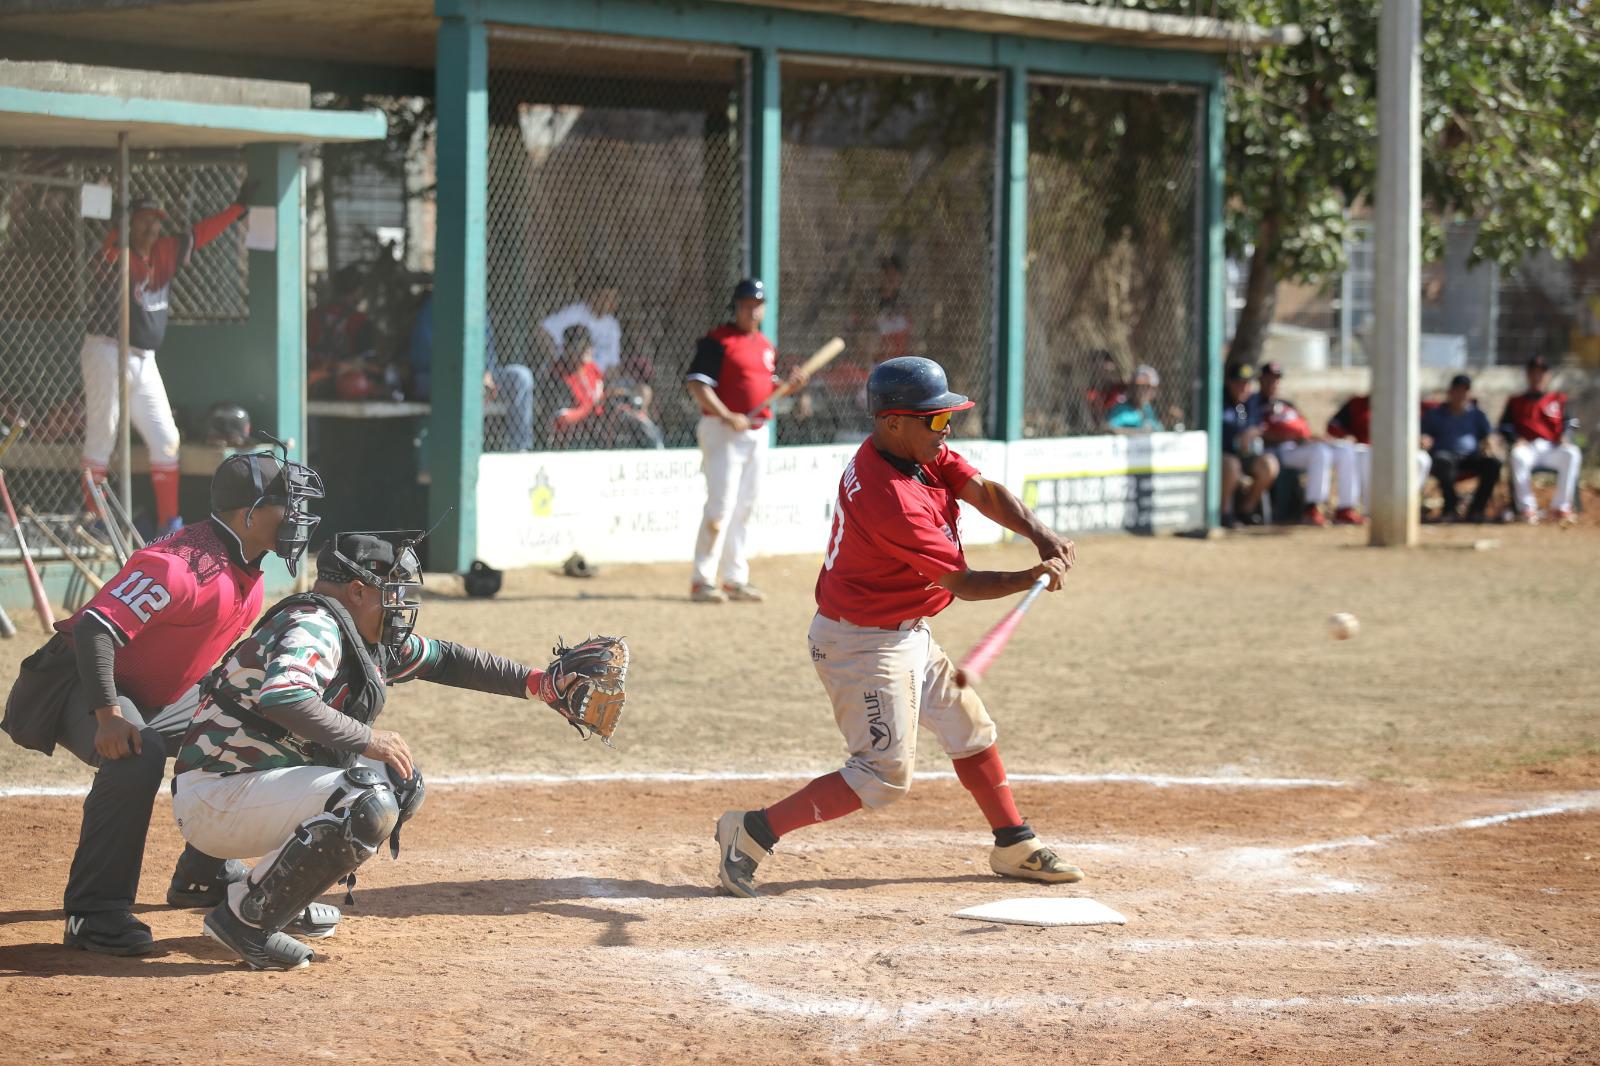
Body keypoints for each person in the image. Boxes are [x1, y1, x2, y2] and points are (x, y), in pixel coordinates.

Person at [169, 531, 627, 970]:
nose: (403, 605)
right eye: (394, 592)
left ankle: (270, 893)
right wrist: (371, 739)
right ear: (356, 590)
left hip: (241, 790)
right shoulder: (316, 624)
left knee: (400, 783)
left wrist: (539, 684)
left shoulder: (358, 631)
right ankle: (247, 917)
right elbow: (285, 698)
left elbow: (446, 660)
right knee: (365, 799)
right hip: (217, 797)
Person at [712, 356, 1082, 898]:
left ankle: (1013, 842)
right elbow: (963, 582)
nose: (946, 428)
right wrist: (1031, 575)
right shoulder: (892, 500)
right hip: (863, 643)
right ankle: (751, 831)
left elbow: (981, 490)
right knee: (882, 777)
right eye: (935, 419)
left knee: (968, 727)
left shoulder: (915, 450)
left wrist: (1041, 536)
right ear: (893, 422)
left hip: (905, 631)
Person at [0, 445, 324, 957]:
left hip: (153, 692)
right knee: (136, 752)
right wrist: (108, 715)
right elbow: (94, 631)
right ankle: (94, 913)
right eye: (287, 503)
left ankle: (204, 874)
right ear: (249, 514)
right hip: (79, 681)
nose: (299, 516)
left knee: (246, 726)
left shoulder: (247, 569)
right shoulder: (180, 567)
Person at [82, 185, 253, 533]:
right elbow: (109, 255)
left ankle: (169, 525)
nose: (151, 228)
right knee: (104, 433)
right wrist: (119, 228)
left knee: (166, 439)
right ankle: (94, 518)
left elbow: (200, 233)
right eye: (143, 221)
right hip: (106, 349)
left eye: (155, 222)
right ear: (129, 226)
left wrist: (237, 209)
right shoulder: (117, 253)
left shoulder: (165, 250)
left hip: (144, 358)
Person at [684, 278, 807, 603]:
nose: (752, 311)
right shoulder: (718, 341)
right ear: (736, 307)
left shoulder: (765, 346)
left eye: (757, 305)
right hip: (723, 431)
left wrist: (788, 387)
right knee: (720, 507)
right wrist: (727, 415)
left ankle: (734, 578)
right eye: (746, 305)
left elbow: (766, 387)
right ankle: (702, 579)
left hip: (755, 432)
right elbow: (697, 385)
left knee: (744, 507)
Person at [409, 292, 534, 452]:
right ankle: (462, 450)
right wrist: (466, 376)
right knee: (458, 386)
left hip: (477, 377)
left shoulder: (475, 306)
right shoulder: (432, 308)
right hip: (439, 377)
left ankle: (519, 448)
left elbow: (488, 348)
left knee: (521, 377)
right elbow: (425, 358)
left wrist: (487, 374)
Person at [1258, 362, 1361, 526]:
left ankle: (1345, 508)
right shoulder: (1255, 404)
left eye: (1276, 379)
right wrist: (1287, 437)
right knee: (1320, 452)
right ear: (1260, 380)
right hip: (1278, 451)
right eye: (1269, 379)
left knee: (1345, 450)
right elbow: (1259, 434)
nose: (1273, 383)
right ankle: (1312, 508)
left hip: (1300, 446)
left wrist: (1314, 438)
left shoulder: (1286, 404)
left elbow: (1303, 430)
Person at [1498, 355, 1582, 524]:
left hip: (1552, 447)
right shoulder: (1516, 401)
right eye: (1533, 373)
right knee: (1517, 455)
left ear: (1547, 375)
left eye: (1541, 373)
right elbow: (1504, 426)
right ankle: (1527, 508)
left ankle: (1561, 507)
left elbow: (1572, 422)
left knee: (1572, 453)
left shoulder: (1558, 399)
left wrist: (1565, 436)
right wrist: (1515, 438)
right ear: (1528, 375)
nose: (1537, 377)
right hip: (1528, 447)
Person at [1324, 393, 1433, 519]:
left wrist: (1421, 439)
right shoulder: (1357, 404)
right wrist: (1345, 434)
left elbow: (1423, 429)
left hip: (1397, 449)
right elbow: (1333, 427)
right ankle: (1371, 511)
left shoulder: (1403, 404)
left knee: (1421, 459)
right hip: (1365, 448)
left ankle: (1404, 507)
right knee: (1367, 456)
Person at [1419, 375, 1501, 522]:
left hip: (1470, 457)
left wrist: (1491, 446)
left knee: (1493, 464)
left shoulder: (1477, 415)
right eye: (1457, 390)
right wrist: (1424, 439)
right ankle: (1450, 509)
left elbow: (1489, 436)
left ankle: (1476, 510)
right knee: (1443, 461)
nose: (1461, 395)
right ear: (1450, 392)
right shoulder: (1434, 414)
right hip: (1445, 458)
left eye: (1465, 391)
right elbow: (1423, 434)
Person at [1219, 362, 1276, 528]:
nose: (1243, 387)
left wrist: (1252, 433)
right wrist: (1239, 436)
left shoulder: (1253, 402)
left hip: (1248, 454)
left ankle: (1247, 510)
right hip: (1225, 454)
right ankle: (1225, 513)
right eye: (1239, 383)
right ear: (1229, 383)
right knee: (1232, 465)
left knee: (1269, 464)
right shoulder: (1221, 402)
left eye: (1247, 383)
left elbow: (1259, 426)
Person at [533, 325, 606, 449]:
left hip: (600, 428)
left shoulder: (591, 368)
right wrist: (591, 407)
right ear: (567, 348)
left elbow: (602, 395)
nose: (588, 349)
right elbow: (562, 417)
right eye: (582, 346)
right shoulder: (558, 373)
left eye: (589, 345)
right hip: (573, 437)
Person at [541, 282, 622, 375]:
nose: (610, 302)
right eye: (606, 297)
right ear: (594, 296)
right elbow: (542, 330)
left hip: (597, 380)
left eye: (613, 298)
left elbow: (614, 363)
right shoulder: (574, 313)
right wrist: (557, 358)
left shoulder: (612, 325)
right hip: (570, 375)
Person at [1106, 364, 1164, 434]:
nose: (1145, 391)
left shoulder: (1148, 409)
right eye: (1141, 387)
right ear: (1133, 388)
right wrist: (1139, 432)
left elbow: (1158, 428)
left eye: (1149, 387)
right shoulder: (1120, 409)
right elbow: (1109, 428)